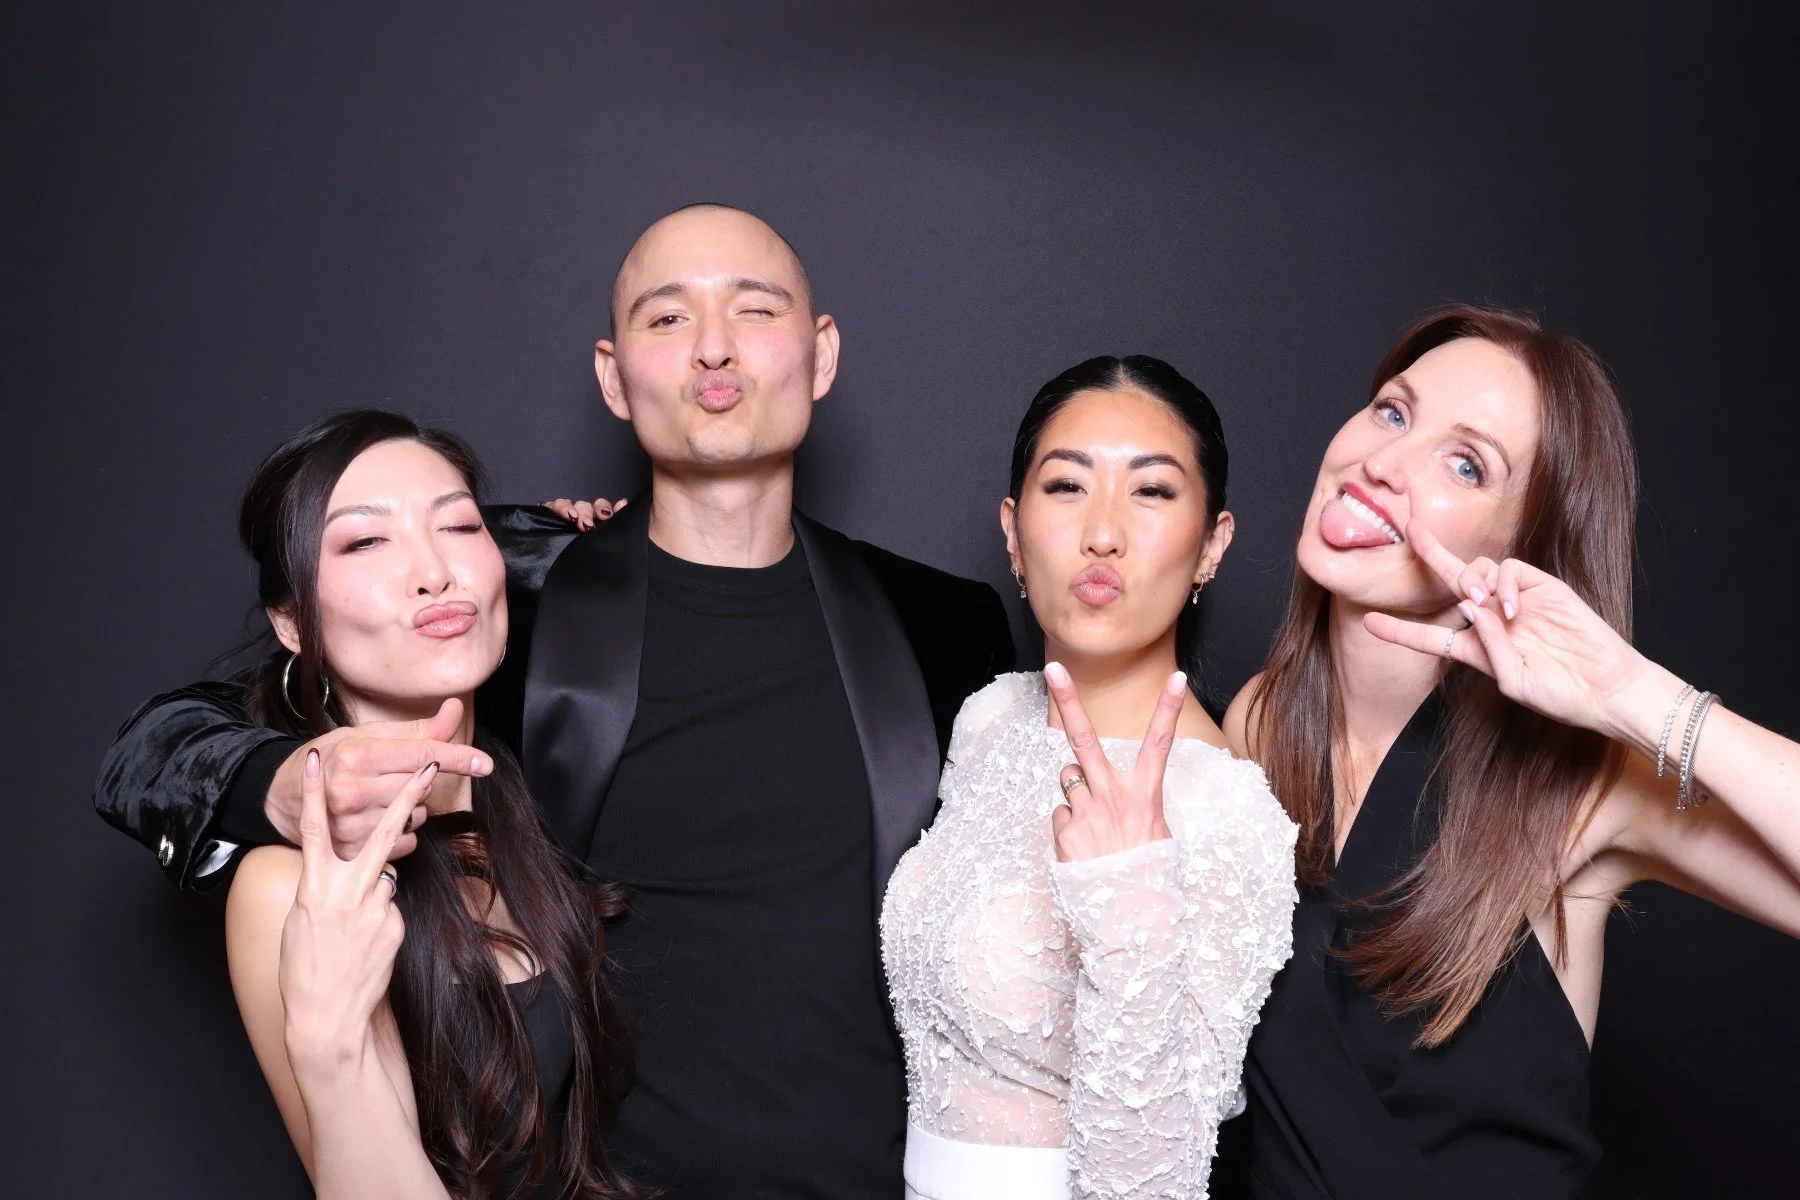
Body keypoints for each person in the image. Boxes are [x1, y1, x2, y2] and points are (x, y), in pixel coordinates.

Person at [93, 204, 1015, 1197]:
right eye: (667, 319)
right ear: (614, 377)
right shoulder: (505, 597)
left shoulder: (946, 625)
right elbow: (154, 746)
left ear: (821, 352)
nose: (712, 348)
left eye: (753, 310)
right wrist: (291, 783)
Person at [1219, 305, 1800, 1199]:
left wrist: (1637, 699)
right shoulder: (1260, 723)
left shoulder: (1578, 782)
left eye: (1465, 464)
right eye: (1392, 411)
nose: (1383, 462)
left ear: (1520, 544)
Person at [882, 356, 1298, 1200]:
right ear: (1013, 531)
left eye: (1151, 492)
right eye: (1067, 486)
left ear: (1212, 543)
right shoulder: (991, 720)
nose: (1101, 531)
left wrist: (1129, 901)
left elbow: (1156, 1184)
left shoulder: (1220, 808)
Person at [215, 411, 637, 1198]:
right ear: (290, 620)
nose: (434, 571)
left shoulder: (533, 809)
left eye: (458, 525)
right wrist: (332, 1047)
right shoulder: (293, 886)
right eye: (365, 542)